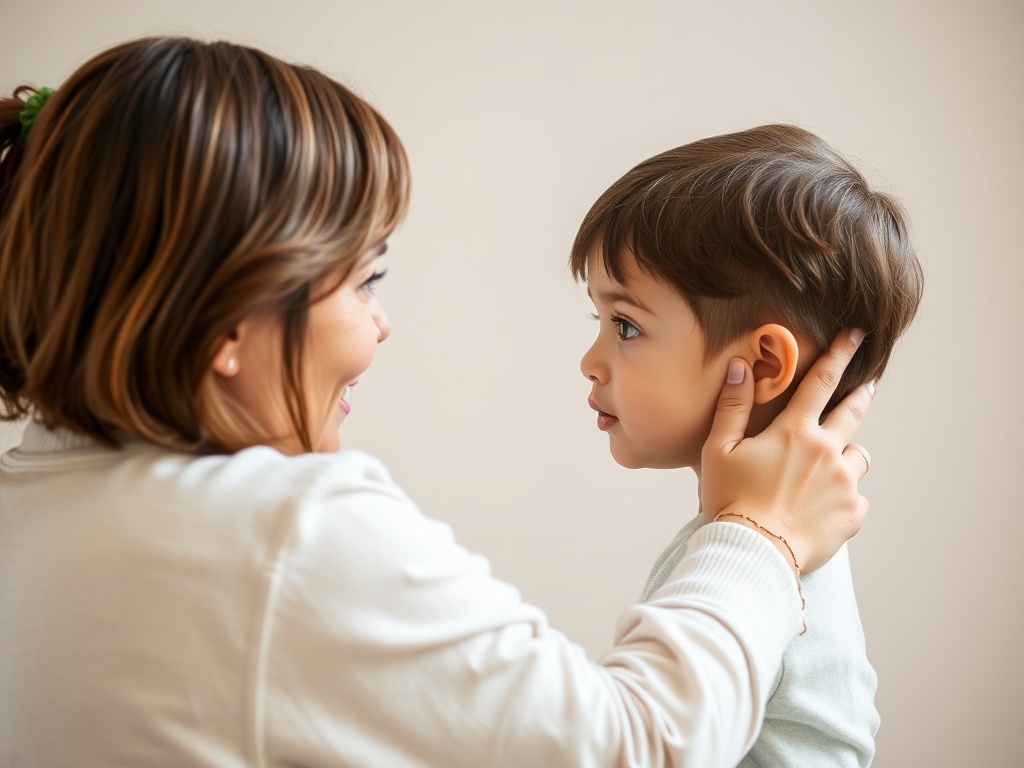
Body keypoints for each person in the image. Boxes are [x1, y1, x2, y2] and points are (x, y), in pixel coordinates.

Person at [0, 37, 874, 767]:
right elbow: (636, 748)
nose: (379, 329)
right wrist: (760, 533)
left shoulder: (30, 506)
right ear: (225, 320)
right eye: (365, 281)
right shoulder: (282, 533)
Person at [572, 124, 924, 766]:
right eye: (597, 320)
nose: (590, 361)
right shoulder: (740, 545)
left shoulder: (778, 567)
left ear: (763, 364)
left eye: (624, 325)